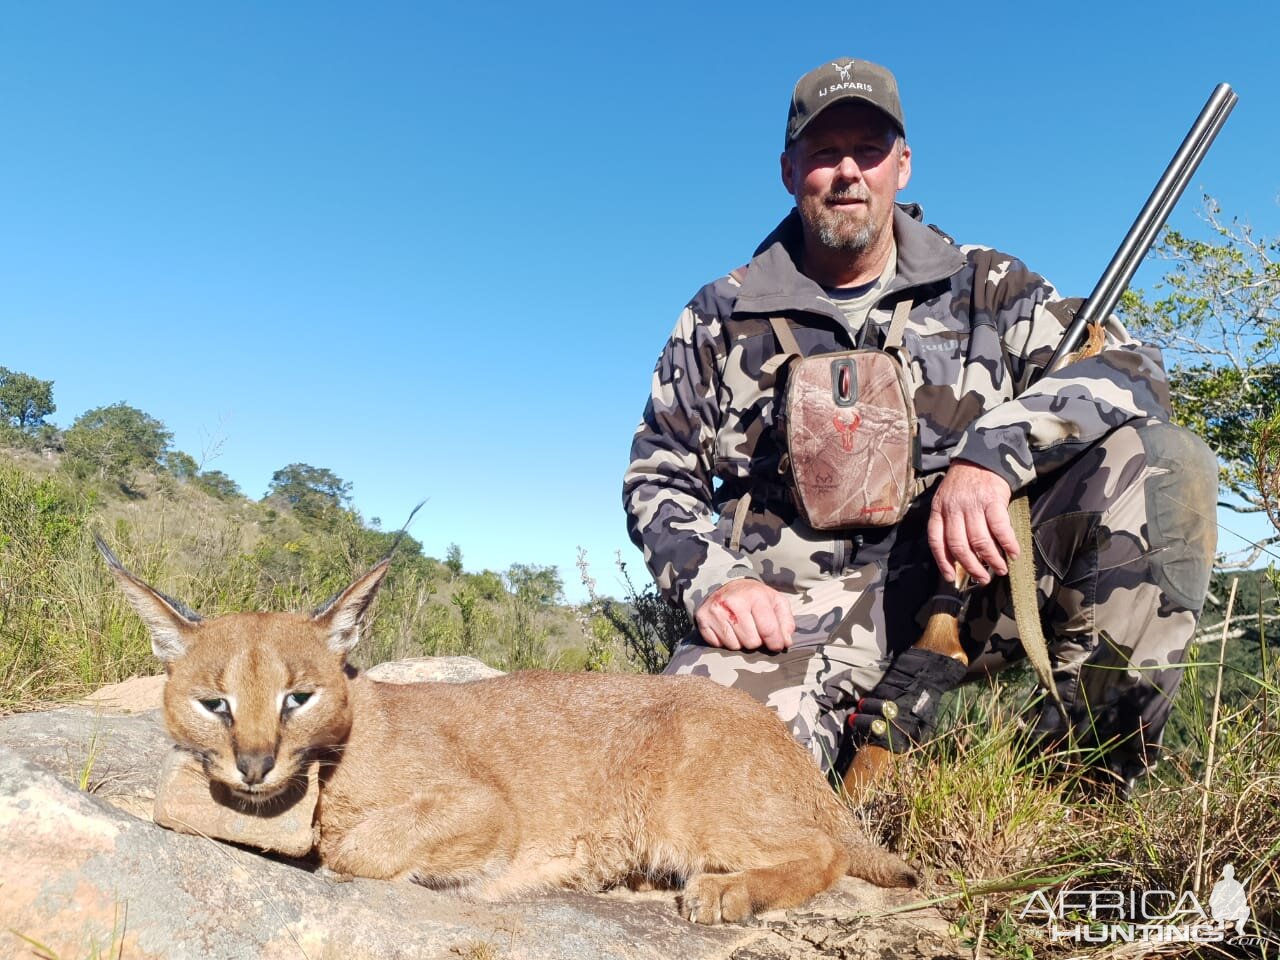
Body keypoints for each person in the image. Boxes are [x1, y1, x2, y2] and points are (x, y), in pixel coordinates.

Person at [622, 57, 1218, 790]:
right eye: (823, 152)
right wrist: (717, 584)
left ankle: (1082, 788)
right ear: (788, 170)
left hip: (970, 592)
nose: (847, 172)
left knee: (1162, 463)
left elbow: (1134, 371)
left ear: (901, 166)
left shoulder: (988, 285)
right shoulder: (721, 312)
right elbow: (658, 475)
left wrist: (994, 457)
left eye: (868, 151)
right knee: (700, 791)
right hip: (785, 616)